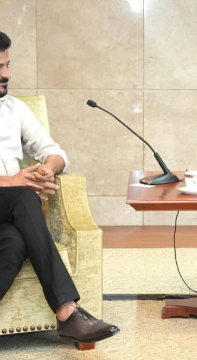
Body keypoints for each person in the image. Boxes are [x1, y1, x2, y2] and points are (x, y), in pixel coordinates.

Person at [0, 31, 119, 344]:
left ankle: (68, 313)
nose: (7, 74)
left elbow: (54, 151)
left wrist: (44, 170)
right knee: (24, 196)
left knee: (14, 241)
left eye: (8, 65)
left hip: (7, 213)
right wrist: (13, 182)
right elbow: (17, 187)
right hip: (11, 198)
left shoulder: (15, 109)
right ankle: (68, 312)